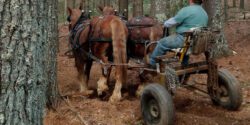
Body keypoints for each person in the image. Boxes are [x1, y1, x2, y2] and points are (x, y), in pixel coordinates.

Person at [149, 0, 208, 68]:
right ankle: (184, 66)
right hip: (196, 42)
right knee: (185, 49)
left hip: (184, 40)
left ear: (191, 0)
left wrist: (164, 23)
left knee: (162, 43)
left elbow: (173, 21)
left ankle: (151, 64)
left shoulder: (187, 10)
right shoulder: (204, 13)